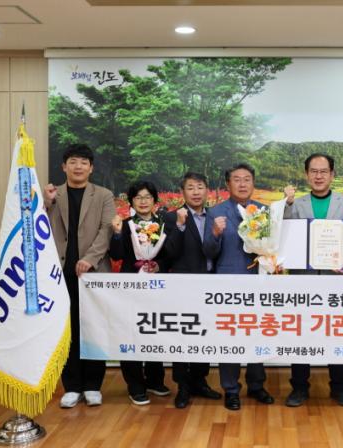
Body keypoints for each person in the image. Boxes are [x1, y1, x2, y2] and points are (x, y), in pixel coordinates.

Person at [282, 153, 343, 407]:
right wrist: (286, 205)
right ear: (306, 175)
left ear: (332, 175)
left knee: (336, 334)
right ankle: (299, 387)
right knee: (300, 334)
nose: (318, 176)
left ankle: (339, 387)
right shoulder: (295, 205)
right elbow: (285, 237)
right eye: (313, 171)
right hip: (302, 281)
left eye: (323, 171)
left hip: (336, 280)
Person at [44, 144, 116, 408]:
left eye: (84, 162)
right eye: (73, 162)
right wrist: (46, 202)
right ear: (64, 166)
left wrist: (89, 259)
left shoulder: (104, 195)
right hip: (59, 272)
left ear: (91, 168)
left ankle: (93, 385)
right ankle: (72, 386)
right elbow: (35, 225)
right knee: (67, 329)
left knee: (94, 328)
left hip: (93, 272)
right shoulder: (52, 194)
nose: (78, 167)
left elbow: (107, 230)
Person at [203, 163, 274, 411]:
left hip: (259, 281)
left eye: (247, 179)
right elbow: (208, 251)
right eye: (237, 179)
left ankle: (256, 385)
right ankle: (231, 389)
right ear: (228, 184)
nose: (242, 184)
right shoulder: (216, 212)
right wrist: (215, 233)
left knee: (257, 333)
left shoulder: (264, 211)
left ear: (253, 183)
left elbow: (272, 245)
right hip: (229, 284)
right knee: (230, 336)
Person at [110, 180, 180, 406]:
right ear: (131, 201)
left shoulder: (164, 225)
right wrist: (117, 234)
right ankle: (135, 385)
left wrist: (158, 265)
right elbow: (116, 255)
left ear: (154, 200)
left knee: (154, 330)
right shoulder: (125, 225)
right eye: (138, 197)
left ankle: (155, 380)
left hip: (158, 286)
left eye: (147, 197)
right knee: (131, 333)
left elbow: (172, 254)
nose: (143, 201)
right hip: (130, 286)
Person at [164, 172, 222, 409]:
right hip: (183, 286)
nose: (196, 192)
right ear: (182, 192)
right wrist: (179, 226)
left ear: (207, 190)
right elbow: (170, 252)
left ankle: (200, 381)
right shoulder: (171, 217)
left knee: (205, 333)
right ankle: (183, 387)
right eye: (190, 187)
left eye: (200, 187)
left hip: (210, 284)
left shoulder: (215, 217)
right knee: (183, 334)